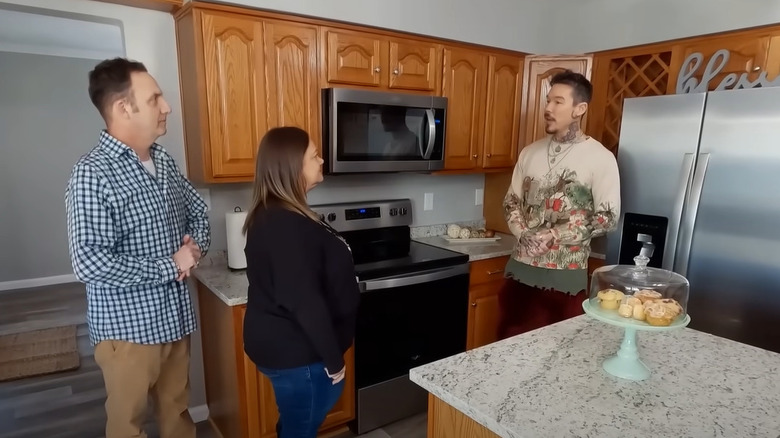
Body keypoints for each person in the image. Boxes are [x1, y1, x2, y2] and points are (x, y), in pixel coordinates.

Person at [65, 57, 210, 438]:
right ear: (122, 108)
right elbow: (89, 262)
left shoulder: (163, 159)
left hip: (175, 321)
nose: (167, 107)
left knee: (178, 415)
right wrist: (169, 265)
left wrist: (195, 249)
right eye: (155, 99)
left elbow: (199, 211)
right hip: (128, 334)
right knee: (128, 427)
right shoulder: (92, 173)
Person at [242, 127, 360, 438]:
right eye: (314, 155)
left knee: (296, 422)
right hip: (300, 354)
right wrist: (334, 362)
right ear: (292, 166)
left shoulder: (280, 214)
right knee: (301, 428)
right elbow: (303, 300)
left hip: (291, 349)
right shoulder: (284, 224)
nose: (321, 160)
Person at [499, 70, 620, 337]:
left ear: (580, 109)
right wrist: (524, 234)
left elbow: (607, 217)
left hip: (565, 278)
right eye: (547, 101)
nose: (548, 108)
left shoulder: (600, 158)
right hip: (519, 271)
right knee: (505, 350)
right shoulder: (529, 152)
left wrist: (555, 234)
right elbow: (511, 201)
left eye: (558, 102)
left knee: (556, 355)